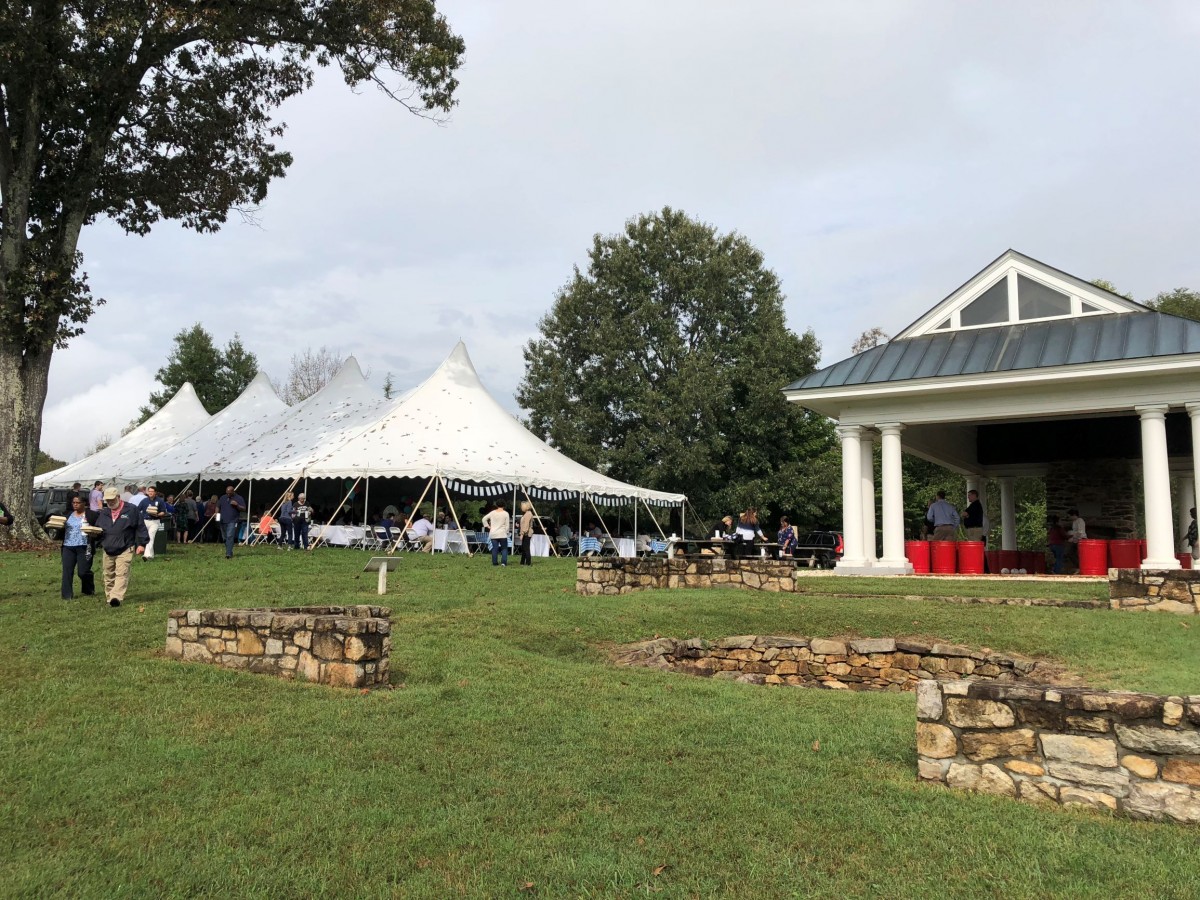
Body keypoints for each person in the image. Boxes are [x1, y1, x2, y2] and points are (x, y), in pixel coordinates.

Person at [94, 486, 148, 607]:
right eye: (107, 501)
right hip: (108, 548)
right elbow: (98, 529)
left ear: (118, 497)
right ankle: (109, 598)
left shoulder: (131, 510)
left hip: (125, 547)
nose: (110, 502)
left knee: (121, 573)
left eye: (112, 500)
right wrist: (94, 536)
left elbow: (140, 527)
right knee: (108, 575)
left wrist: (142, 544)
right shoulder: (104, 513)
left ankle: (116, 597)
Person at [58, 495, 99, 599]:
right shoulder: (68, 515)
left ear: (84, 504)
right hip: (68, 546)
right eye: (73, 503)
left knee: (83, 571)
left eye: (78, 503)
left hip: (84, 547)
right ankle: (67, 595)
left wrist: (93, 532)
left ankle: (88, 589)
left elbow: (99, 529)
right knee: (67, 571)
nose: (75, 505)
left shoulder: (91, 515)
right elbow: (61, 530)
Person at [139, 485, 169, 560]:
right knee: (147, 537)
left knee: (150, 536)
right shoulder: (144, 501)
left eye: (152, 491)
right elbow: (138, 509)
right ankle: (151, 555)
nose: (150, 493)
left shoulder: (160, 501)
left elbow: (163, 512)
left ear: (155, 492)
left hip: (155, 521)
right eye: (149, 491)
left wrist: (157, 514)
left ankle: (146, 555)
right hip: (145, 521)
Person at [218, 485, 246, 559]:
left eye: (229, 493)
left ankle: (228, 554)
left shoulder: (239, 498)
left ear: (233, 491)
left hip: (233, 520)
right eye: (227, 493)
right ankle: (229, 550)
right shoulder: (223, 497)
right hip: (223, 520)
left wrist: (237, 505)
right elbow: (218, 506)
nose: (228, 495)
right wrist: (217, 514)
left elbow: (243, 508)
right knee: (225, 538)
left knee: (230, 536)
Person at [482, 501, 511, 566]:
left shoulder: (492, 513)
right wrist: (506, 532)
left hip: (494, 533)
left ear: (497, 505)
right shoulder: (506, 513)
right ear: (504, 505)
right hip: (502, 533)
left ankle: (495, 562)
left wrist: (488, 526)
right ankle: (503, 562)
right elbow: (507, 525)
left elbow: (484, 519)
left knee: (495, 548)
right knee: (504, 548)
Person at [518, 500, 534, 566]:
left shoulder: (528, 514)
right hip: (526, 533)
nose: (521, 508)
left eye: (522, 506)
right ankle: (522, 562)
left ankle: (528, 562)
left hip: (527, 533)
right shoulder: (527, 514)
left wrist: (522, 534)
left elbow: (526, 525)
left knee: (526, 548)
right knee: (524, 548)